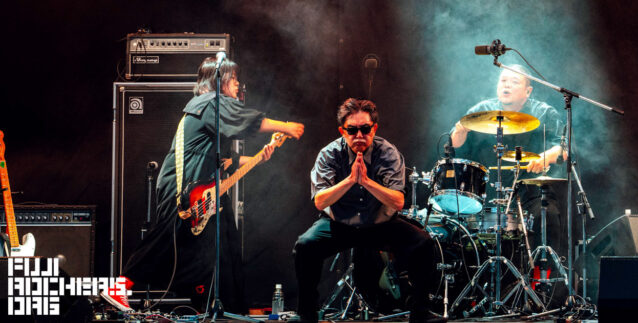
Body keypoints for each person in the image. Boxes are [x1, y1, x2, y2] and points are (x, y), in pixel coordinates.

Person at [104, 57, 305, 313]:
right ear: (219, 80)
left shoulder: (207, 108)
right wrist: (286, 126)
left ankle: (222, 308)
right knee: (168, 238)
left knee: (220, 246)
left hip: (201, 186)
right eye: (234, 78)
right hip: (183, 186)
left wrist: (259, 158)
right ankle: (119, 287)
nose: (238, 84)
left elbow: (224, 160)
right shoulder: (210, 102)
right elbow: (242, 120)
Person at [293, 98, 444, 323]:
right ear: (342, 131)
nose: (359, 135)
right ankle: (306, 314)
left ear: (374, 129)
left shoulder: (387, 153)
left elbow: (398, 202)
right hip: (340, 225)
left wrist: (366, 182)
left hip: (379, 225)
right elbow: (320, 201)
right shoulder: (329, 154)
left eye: (365, 129)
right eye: (352, 130)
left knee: (422, 243)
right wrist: (349, 181)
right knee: (305, 246)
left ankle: (420, 313)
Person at [449, 66, 567, 264]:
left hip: (531, 193)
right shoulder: (482, 110)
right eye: (503, 81)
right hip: (488, 194)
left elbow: (565, 148)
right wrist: (460, 131)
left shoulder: (544, 113)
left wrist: (546, 156)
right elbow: (453, 144)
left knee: (548, 215)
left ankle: (543, 275)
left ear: (528, 91)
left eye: (514, 81)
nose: (507, 85)